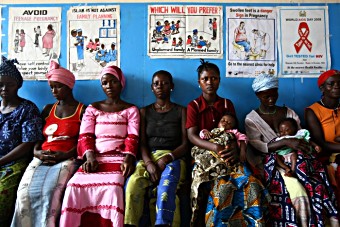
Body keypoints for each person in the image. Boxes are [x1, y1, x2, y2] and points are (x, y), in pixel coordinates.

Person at [245, 73, 339, 226]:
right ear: (257, 95)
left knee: (318, 185)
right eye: (265, 96)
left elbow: (301, 136)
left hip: (298, 156)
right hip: (274, 161)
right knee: (297, 192)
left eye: (274, 94)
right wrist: (287, 141)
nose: (271, 99)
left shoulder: (288, 113)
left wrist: (304, 145)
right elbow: (258, 146)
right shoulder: (251, 119)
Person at [186, 59, 269, 226]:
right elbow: (192, 136)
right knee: (222, 189)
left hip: (230, 154)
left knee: (250, 184)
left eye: (214, 78)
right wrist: (215, 147)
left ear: (219, 80)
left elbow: (235, 134)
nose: (210, 82)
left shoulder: (226, 103)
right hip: (206, 156)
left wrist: (237, 151)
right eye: (205, 79)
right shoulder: (193, 105)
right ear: (199, 82)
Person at [59, 65, 140, 227]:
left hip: (118, 159)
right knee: (74, 186)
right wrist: (89, 157)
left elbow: (133, 136)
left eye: (113, 82)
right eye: (105, 83)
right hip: (94, 158)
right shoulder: (93, 108)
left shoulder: (130, 110)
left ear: (121, 83)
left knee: (113, 188)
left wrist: (128, 159)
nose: (109, 86)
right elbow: (85, 135)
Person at [11, 61, 86, 227]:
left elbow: (83, 140)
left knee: (50, 193)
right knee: (24, 193)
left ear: (69, 86)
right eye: (51, 87)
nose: (54, 91)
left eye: (58, 87)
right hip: (41, 157)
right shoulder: (47, 109)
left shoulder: (82, 110)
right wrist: (37, 152)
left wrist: (66, 155)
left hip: (67, 158)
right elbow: (38, 138)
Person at [125, 70, 188, 227]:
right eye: (156, 83)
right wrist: (149, 163)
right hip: (148, 157)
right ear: (152, 88)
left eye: (165, 83)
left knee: (165, 189)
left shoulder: (181, 111)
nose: (160, 86)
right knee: (132, 184)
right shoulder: (144, 111)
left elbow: (186, 144)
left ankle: (163, 224)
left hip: (173, 158)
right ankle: (130, 223)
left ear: (172, 87)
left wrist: (167, 159)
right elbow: (142, 143)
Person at [0, 56, 43, 226]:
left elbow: (28, 144)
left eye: (9, 84)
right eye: (0, 84)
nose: (4, 89)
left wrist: (2, 161)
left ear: (18, 85)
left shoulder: (27, 109)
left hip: (14, 163)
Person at [305, 69, 340, 208]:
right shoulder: (312, 111)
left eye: (339, 83)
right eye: (331, 84)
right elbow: (321, 143)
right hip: (325, 155)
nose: (337, 86)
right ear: (322, 88)